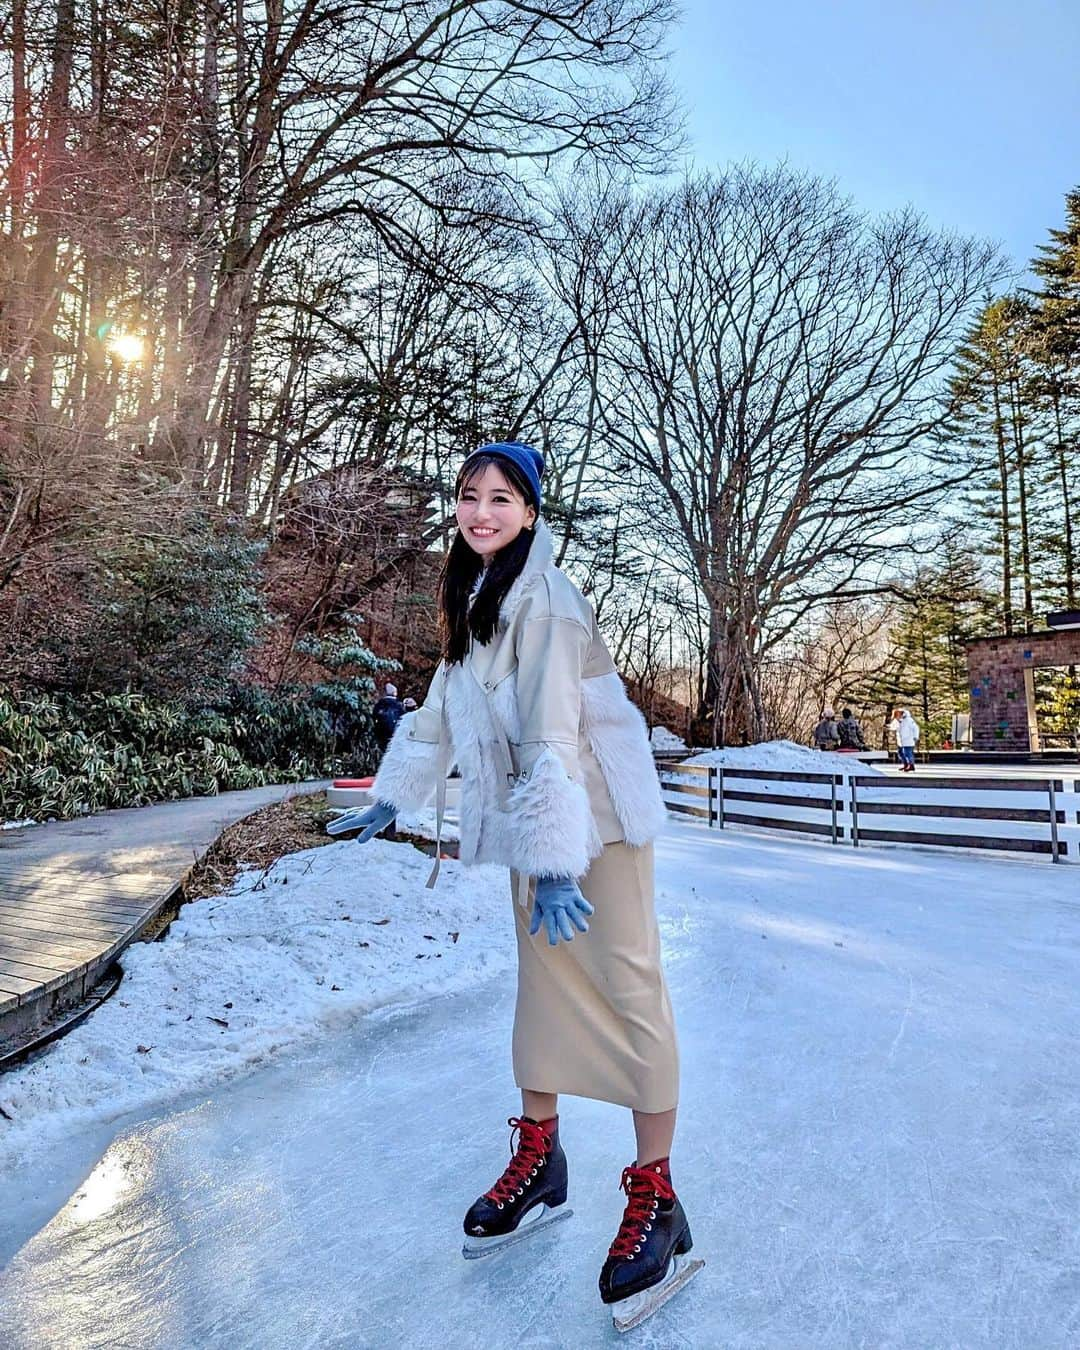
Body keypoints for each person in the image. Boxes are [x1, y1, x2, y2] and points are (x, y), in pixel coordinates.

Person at [332, 441, 692, 1323]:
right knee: (543, 990)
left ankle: (660, 1198)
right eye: (469, 495)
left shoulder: (550, 603)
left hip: (590, 823)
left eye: (502, 498)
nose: (482, 510)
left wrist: (561, 861)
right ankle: (542, 1159)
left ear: (531, 513)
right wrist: (394, 798)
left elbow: (552, 735)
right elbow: (442, 709)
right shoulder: (476, 596)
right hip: (546, 832)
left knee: (628, 988)